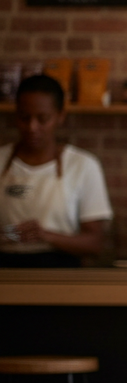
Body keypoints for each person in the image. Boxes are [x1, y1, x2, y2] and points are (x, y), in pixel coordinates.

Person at [0, 74, 112, 268]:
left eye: (42, 119)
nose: (32, 127)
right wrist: (11, 235)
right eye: (25, 118)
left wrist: (45, 236)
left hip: (61, 274)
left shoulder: (83, 165)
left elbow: (95, 244)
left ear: (60, 116)